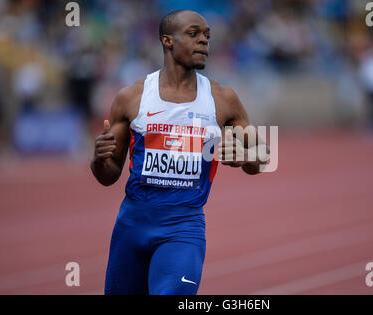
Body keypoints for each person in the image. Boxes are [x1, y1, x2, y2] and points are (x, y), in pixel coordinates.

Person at [90, 9, 269, 295]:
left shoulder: (222, 99)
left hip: (183, 227)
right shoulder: (132, 98)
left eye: (207, 36)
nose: (204, 42)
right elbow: (108, 175)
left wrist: (246, 157)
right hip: (132, 225)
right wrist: (98, 159)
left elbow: (263, 155)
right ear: (167, 41)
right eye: (194, 33)